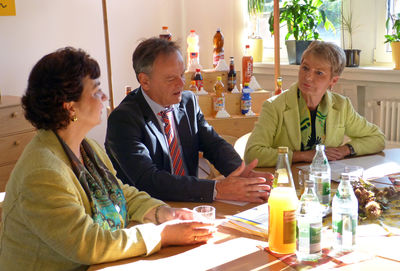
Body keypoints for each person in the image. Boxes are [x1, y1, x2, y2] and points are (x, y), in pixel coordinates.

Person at [0, 47, 214, 271]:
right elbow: (89, 244)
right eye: (95, 92)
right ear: (70, 107)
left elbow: (121, 193)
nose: (104, 97)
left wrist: (164, 213)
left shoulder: (87, 147)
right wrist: (162, 234)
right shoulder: (43, 172)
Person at [105, 37, 273, 203]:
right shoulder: (123, 120)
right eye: (171, 79)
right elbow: (149, 181)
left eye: (182, 74)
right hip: (149, 211)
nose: (181, 84)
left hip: (191, 202)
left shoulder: (188, 102)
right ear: (145, 81)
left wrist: (242, 172)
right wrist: (216, 189)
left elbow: (213, 143)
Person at [245, 41, 385, 167]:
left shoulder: (341, 105)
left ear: (333, 81)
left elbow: (377, 138)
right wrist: (303, 155)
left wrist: (346, 150)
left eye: (319, 73)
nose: (308, 77)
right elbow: (253, 154)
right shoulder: (275, 106)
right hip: (287, 183)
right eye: (305, 68)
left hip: (325, 180)